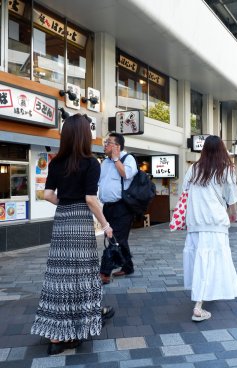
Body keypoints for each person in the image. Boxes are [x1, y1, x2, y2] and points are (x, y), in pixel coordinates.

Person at [31, 114, 114, 355]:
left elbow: (47, 195)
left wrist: (64, 203)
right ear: (85, 136)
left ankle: (56, 336)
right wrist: (106, 224)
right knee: (80, 276)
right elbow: (90, 199)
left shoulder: (56, 162)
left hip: (62, 221)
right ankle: (75, 332)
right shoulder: (91, 163)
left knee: (59, 276)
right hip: (79, 222)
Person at [182, 135, 237, 322]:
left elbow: (185, 192)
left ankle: (203, 296)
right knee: (209, 261)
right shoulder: (226, 170)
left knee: (201, 260)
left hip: (196, 222)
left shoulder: (194, 168)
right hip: (215, 222)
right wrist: (233, 215)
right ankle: (198, 306)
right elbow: (232, 200)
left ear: (204, 149)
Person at [99, 133, 138, 284]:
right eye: (105, 142)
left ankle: (105, 272)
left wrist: (116, 159)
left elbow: (126, 174)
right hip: (107, 207)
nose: (105, 145)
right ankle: (128, 267)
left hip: (123, 207)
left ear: (117, 146)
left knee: (114, 238)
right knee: (121, 240)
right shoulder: (104, 162)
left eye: (108, 142)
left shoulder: (128, 159)